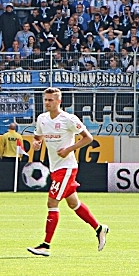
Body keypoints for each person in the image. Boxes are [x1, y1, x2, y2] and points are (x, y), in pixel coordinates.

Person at [27, 87, 108, 257]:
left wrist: (69, 149)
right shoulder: (41, 119)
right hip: (55, 167)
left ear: (59, 101)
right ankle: (99, 228)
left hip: (67, 167)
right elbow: (38, 137)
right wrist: (37, 143)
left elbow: (88, 138)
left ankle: (45, 245)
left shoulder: (68, 119)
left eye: (50, 100)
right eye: (46, 100)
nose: (47, 103)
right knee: (73, 204)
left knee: (52, 203)